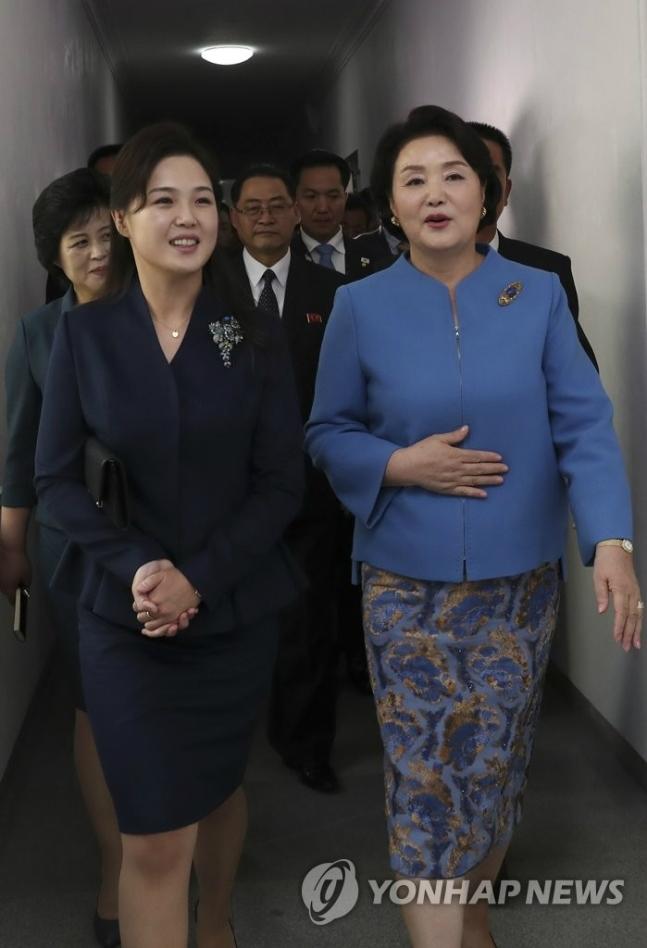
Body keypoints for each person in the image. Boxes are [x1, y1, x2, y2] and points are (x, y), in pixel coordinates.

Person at [305, 105, 642, 948]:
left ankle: (473, 916)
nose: (435, 194)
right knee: (424, 781)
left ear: (485, 192)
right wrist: (397, 463)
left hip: (517, 587)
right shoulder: (359, 306)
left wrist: (610, 540)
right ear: (389, 205)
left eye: (453, 175)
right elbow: (326, 431)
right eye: (413, 180)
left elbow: (583, 425)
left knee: (492, 767)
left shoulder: (536, 297)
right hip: (404, 588)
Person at [35, 123, 304, 948]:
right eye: (162, 201)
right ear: (123, 219)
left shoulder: (247, 334)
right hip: (126, 620)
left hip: (231, 612)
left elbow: (280, 484)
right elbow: (54, 482)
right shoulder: (84, 335)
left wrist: (199, 578)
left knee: (217, 793)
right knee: (151, 834)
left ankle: (215, 923)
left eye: (201, 201)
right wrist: (143, 568)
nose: (187, 217)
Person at [0, 167, 122, 948]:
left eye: (108, 235)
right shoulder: (39, 335)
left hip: (169, 546)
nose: (98, 252)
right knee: (93, 704)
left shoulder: (168, 313)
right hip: (76, 552)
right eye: (80, 241)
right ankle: (116, 864)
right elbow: (19, 456)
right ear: (55, 256)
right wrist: (11, 545)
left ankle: (168, 842)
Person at [228, 163, 344, 793]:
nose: (266, 217)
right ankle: (230, 739)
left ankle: (307, 745)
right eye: (253, 207)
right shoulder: (209, 288)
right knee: (238, 619)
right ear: (234, 219)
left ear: (296, 213)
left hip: (312, 485)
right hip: (229, 491)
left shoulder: (336, 292)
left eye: (277, 205)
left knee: (310, 621)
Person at [466, 120, 598, 370]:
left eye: (490, 175)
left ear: (506, 191)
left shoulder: (548, 271)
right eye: (464, 174)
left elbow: (579, 374)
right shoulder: (405, 273)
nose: (480, 187)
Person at [290, 149, 385, 279]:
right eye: (311, 196)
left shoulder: (374, 257)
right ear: (295, 200)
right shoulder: (280, 258)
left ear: (345, 198)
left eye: (333, 196)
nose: (323, 208)